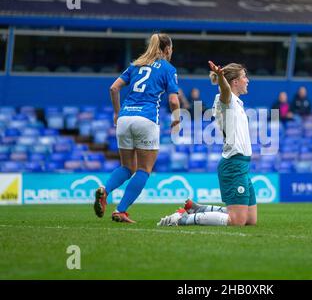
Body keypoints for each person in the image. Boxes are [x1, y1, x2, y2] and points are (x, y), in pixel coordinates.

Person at [93, 33, 180, 223]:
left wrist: (117, 113)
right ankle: (121, 210)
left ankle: (105, 191)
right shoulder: (168, 68)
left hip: (125, 118)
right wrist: (177, 118)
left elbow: (113, 88)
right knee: (144, 169)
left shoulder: (135, 65)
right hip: (146, 119)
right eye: (171, 48)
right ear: (167, 49)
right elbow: (173, 100)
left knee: (127, 166)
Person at [158, 61, 256, 227]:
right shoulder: (227, 100)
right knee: (237, 221)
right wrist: (220, 78)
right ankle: (181, 219)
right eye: (244, 77)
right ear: (235, 82)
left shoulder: (237, 102)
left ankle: (198, 208)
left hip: (243, 164)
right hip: (234, 164)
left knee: (250, 220)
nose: (247, 80)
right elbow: (225, 90)